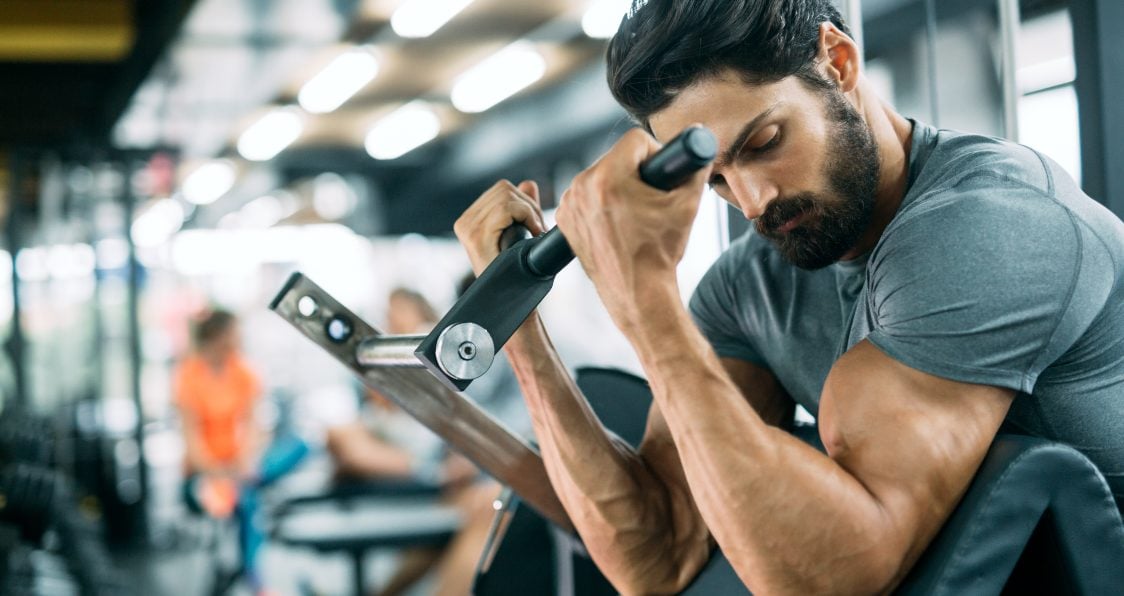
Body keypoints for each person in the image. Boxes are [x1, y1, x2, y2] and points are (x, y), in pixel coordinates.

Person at [452, 0, 1124, 593]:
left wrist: (646, 299)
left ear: (837, 61)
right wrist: (518, 325)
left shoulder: (988, 224)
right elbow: (656, 558)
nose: (755, 203)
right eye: (716, 181)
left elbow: (839, 579)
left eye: (766, 142)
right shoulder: (752, 285)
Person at [324, 287, 502, 596]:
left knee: (481, 506)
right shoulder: (406, 345)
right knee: (341, 437)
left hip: (442, 459)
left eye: (396, 309)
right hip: (440, 454)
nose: (390, 317)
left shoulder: (436, 340)